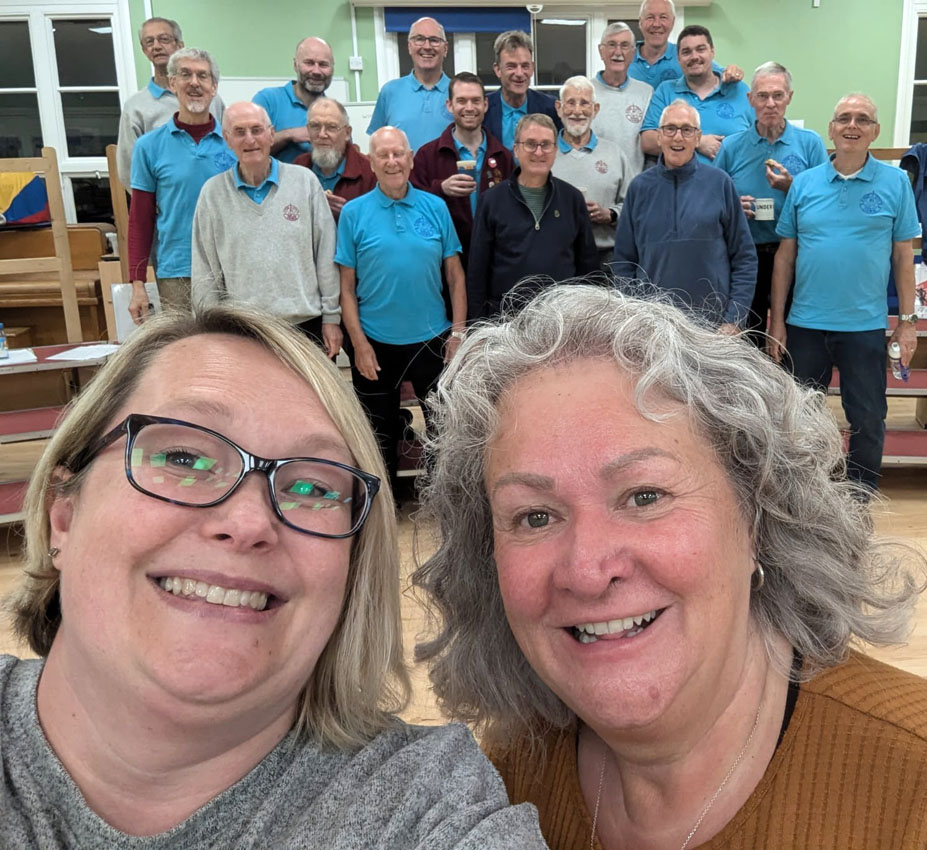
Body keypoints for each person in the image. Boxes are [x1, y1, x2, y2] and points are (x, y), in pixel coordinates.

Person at [414, 283, 927, 850]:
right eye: (535, 517)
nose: (588, 570)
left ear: (754, 519)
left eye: (644, 496)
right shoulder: (505, 780)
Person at [0, 304, 549, 848]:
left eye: (312, 487)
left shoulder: (427, 805)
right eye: (185, 458)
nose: (247, 523)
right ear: (63, 515)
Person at [769, 93, 921, 493]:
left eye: (862, 119)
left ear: (875, 131)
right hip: (805, 326)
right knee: (798, 420)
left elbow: (904, 258)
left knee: (868, 419)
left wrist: (907, 325)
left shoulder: (896, 184)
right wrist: (778, 321)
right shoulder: (804, 185)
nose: (852, 125)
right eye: (844, 118)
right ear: (831, 130)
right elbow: (786, 257)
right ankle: (803, 498)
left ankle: (858, 500)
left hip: (864, 327)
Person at [335, 127, 467, 493]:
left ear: (410, 159)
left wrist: (457, 333)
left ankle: (442, 503)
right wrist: (359, 344)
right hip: (376, 343)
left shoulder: (435, 207)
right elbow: (346, 288)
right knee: (379, 431)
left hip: (432, 338)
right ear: (372, 162)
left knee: (443, 429)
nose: (392, 162)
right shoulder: (354, 214)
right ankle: (384, 505)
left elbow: (455, 276)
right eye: (383, 155)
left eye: (398, 154)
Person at [191, 102, 342, 357]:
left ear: (271, 134)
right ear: (227, 139)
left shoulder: (304, 182)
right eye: (239, 132)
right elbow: (205, 270)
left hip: (305, 326)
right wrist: (210, 329)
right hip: (243, 331)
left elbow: (326, 254)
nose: (250, 139)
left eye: (257, 130)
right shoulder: (212, 194)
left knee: (308, 398)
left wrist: (331, 318)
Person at [613, 100, 755, 332]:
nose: (677, 137)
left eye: (686, 130)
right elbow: (623, 262)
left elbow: (744, 258)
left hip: (712, 329)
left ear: (697, 138)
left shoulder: (720, 184)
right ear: (659, 137)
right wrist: (634, 316)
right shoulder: (639, 188)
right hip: (653, 329)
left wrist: (734, 319)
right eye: (670, 129)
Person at [715, 62, 827, 347]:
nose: (770, 104)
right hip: (744, 256)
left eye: (778, 95)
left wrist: (793, 187)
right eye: (763, 96)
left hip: (794, 255)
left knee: (790, 338)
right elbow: (712, 200)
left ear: (789, 97)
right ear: (750, 99)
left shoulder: (810, 144)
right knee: (747, 340)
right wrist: (731, 206)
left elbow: (828, 203)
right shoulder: (731, 146)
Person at [127, 47, 235, 322]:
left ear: (214, 87)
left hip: (232, 267)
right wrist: (137, 284)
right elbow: (140, 219)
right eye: (185, 74)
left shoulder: (235, 143)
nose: (194, 83)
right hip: (177, 271)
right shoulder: (148, 147)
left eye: (203, 76)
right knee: (184, 354)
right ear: (173, 83)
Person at [467, 114, 599, 321]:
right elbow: (477, 270)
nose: (539, 152)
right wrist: (476, 326)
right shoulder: (491, 201)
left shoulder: (572, 199)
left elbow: (589, 268)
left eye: (546, 145)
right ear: (516, 148)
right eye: (530, 144)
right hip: (506, 321)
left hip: (562, 321)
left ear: (555, 150)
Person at [411, 72, 514, 270]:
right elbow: (411, 204)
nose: (469, 108)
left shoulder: (503, 156)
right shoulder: (427, 155)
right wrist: (440, 188)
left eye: (476, 101)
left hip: (495, 261)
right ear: (449, 105)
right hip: (442, 262)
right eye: (462, 101)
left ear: (485, 105)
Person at [116, 17, 224, 191]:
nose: (156, 46)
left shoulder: (212, 100)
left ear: (180, 45)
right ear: (144, 50)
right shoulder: (135, 107)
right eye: (149, 42)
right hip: (168, 207)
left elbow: (228, 147)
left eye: (164, 39)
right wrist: (159, 204)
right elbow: (128, 169)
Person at [641, 25, 752, 165]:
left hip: (733, 184)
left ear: (712, 51)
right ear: (678, 58)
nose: (694, 57)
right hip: (678, 184)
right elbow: (647, 141)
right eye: (686, 52)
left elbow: (761, 137)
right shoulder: (666, 91)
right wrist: (697, 142)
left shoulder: (739, 89)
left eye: (700, 49)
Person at [552, 76, 633, 268]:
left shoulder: (614, 153)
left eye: (584, 103)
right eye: (570, 103)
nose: (578, 111)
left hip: (606, 258)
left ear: (595, 109)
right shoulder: (545, 154)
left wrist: (611, 214)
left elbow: (633, 205)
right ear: (558, 108)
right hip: (557, 255)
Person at [367, 17, 452, 151]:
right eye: (419, 39)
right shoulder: (389, 92)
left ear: (445, 49)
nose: (427, 46)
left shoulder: (458, 93)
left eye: (434, 40)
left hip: (448, 172)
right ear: (409, 47)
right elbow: (376, 145)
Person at [293, 97, 376, 223]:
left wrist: (347, 214)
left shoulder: (369, 172)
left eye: (331, 127)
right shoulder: (298, 168)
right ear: (308, 130)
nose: (322, 134)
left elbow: (377, 224)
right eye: (315, 126)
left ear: (347, 133)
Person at [253, 37, 334, 162]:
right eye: (309, 63)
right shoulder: (268, 100)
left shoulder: (335, 111)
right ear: (295, 65)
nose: (316, 71)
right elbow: (249, 147)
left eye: (323, 65)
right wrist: (289, 135)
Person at [628, 0, 740, 91]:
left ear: (672, 22)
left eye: (663, 17)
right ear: (640, 22)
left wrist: (732, 71)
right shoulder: (625, 58)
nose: (656, 24)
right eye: (650, 17)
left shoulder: (686, 56)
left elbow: (721, 73)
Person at [591, 22, 653, 177]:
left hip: (635, 189)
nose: (617, 52)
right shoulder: (585, 92)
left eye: (624, 46)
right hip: (596, 185)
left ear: (632, 53)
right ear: (601, 51)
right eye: (611, 45)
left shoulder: (646, 93)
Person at [483, 31, 561, 151]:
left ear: (532, 68)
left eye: (525, 66)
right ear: (498, 69)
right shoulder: (483, 109)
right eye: (511, 66)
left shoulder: (550, 109)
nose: (519, 74)